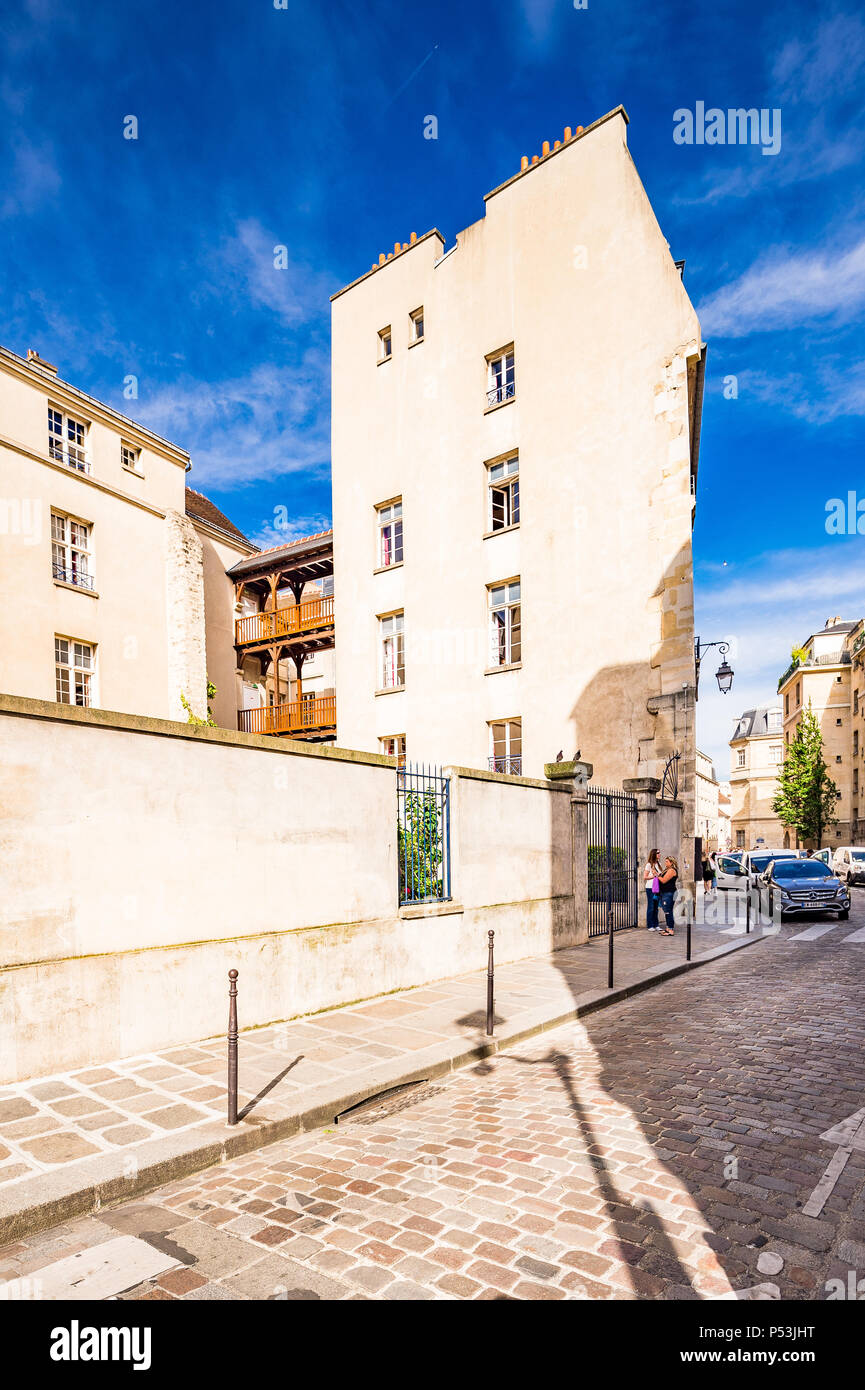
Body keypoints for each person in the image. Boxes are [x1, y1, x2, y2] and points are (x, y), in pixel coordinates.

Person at [658, 855, 679, 936]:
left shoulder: (672, 870)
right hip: (665, 892)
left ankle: (671, 929)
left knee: (668, 911)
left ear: (671, 862)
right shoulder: (667, 869)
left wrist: (657, 875)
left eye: (667, 861)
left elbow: (663, 880)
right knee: (667, 911)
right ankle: (668, 928)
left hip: (669, 893)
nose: (665, 862)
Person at [643, 848, 662, 931]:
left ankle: (656, 924)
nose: (659, 854)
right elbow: (645, 877)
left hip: (657, 888)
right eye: (658, 853)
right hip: (650, 888)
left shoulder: (658, 864)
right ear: (654, 854)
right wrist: (653, 876)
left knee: (656, 907)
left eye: (659, 853)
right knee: (651, 906)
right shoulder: (648, 865)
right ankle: (650, 925)